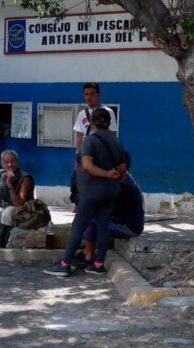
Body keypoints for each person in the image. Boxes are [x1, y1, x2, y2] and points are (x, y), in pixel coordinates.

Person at [46, 107, 125, 277]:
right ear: (109, 122)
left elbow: (88, 165)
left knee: (78, 226)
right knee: (104, 226)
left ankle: (65, 264)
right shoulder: (116, 142)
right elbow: (123, 167)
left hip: (92, 192)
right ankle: (98, 265)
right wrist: (116, 176)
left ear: (92, 122)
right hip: (110, 191)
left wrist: (106, 174)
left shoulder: (90, 140)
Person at [80, 172, 144, 264]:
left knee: (90, 222)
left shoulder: (120, 184)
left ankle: (90, 256)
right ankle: (89, 252)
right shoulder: (123, 179)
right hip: (124, 222)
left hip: (129, 227)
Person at [70, 82, 117, 204]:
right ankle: (79, 203)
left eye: (92, 94)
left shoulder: (108, 112)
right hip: (86, 154)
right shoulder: (82, 114)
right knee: (79, 181)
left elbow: (113, 135)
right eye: (86, 94)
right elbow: (79, 137)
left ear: (98, 95)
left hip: (101, 154)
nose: (89, 97)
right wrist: (79, 157)